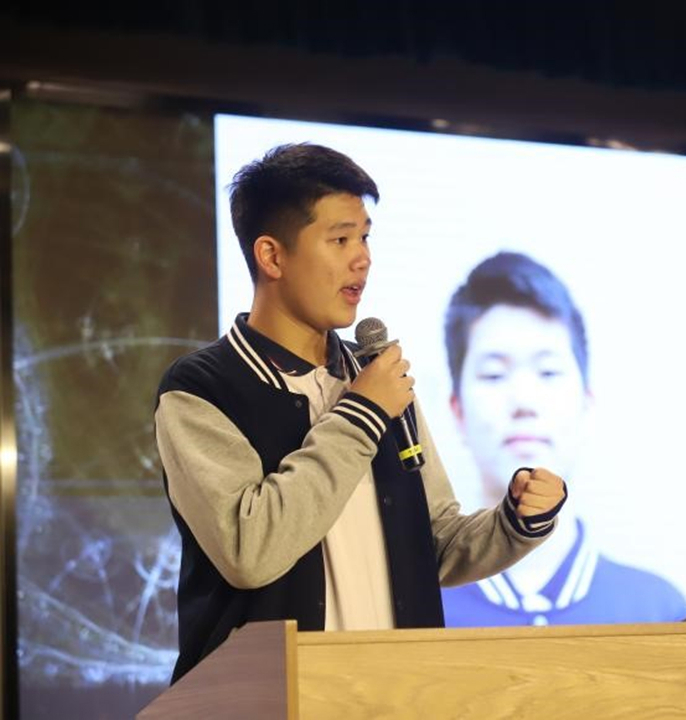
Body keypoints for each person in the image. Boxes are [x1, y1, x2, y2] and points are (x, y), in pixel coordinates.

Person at [154, 145, 566, 683]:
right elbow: (248, 550)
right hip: (270, 697)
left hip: (395, 693)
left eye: (365, 237)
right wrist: (362, 412)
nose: (362, 259)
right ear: (272, 256)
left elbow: (434, 545)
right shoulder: (202, 388)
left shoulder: (376, 377)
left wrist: (516, 521)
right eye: (340, 239)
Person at [440, 251, 686, 627]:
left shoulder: (659, 612)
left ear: (587, 404)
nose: (523, 402)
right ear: (458, 411)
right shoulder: (417, 609)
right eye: (493, 375)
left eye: (549, 372)